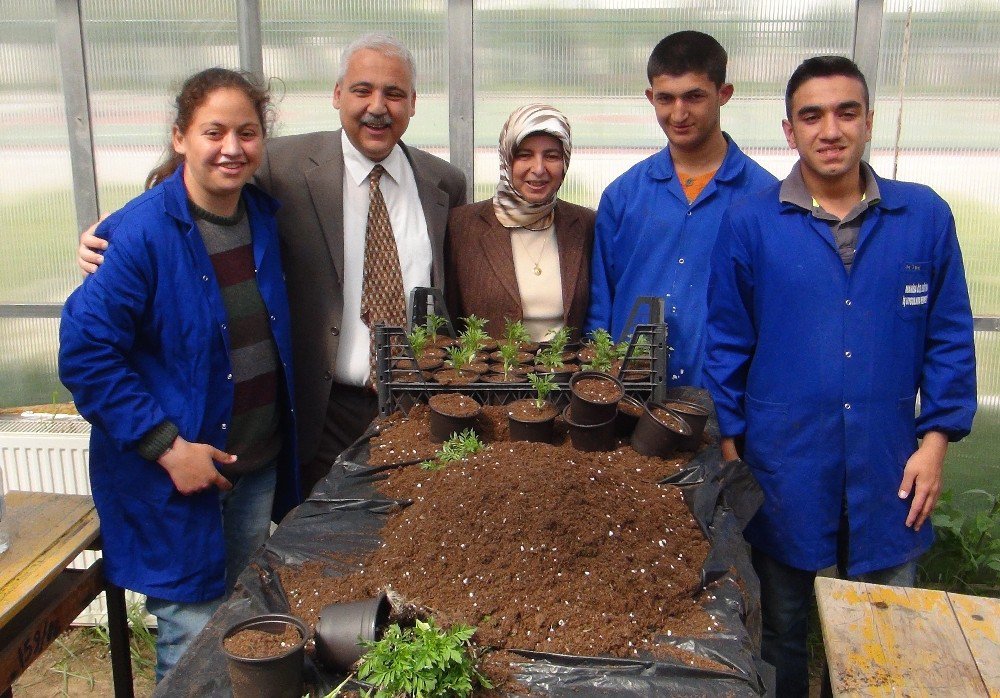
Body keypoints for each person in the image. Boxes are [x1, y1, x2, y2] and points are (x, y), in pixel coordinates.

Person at [78, 34, 468, 496]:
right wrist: (112, 233)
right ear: (337, 94)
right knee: (323, 554)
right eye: (362, 90)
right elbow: (197, 180)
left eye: (394, 93)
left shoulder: (443, 183)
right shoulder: (280, 165)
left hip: (417, 408)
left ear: (414, 103)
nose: (377, 107)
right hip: (326, 414)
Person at [703, 56, 977, 697]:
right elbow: (726, 342)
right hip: (784, 464)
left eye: (846, 112)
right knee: (783, 627)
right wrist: (732, 450)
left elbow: (948, 340)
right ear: (789, 129)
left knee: (888, 631)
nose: (831, 129)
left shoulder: (922, 218)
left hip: (892, 466)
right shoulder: (752, 222)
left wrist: (934, 444)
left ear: (869, 121)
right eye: (812, 115)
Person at [59, 68, 300, 681]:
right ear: (179, 138)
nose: (232, 147)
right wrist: (167, 449)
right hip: (180, 478)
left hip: (251, 465)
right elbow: (85, 354)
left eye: (247, 133)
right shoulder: (139, 234)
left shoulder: (262, 218)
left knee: (238, 622)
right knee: (192, 636)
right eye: (213, 131)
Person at [584, 31, 775, 384]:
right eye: (665, 99)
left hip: (723, 400)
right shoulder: (622, 196)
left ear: (724, 94)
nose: (679, 113)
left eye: (694, 97)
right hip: (631, 397)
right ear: (650, 98)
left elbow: (774, 315)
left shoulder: (765, 199)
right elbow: (600, 306)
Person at [445, 104, 593, 342]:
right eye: (524, 155)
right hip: (491, 377)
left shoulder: (586, 225)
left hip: (566, 375)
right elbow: (448, 319)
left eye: (552, 156)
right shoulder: (462, 227)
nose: (538, 169)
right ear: (506, 157)